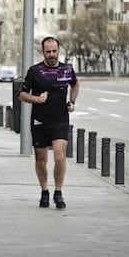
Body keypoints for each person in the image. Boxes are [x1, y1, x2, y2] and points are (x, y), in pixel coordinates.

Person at [18, 36, 79, 209]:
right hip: (39, 120)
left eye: (54, 51)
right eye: (48, 51)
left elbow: (75, 84)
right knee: (41, 159)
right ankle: (44, 191)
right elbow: (21, 94)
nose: (52, 54)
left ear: (58, 50)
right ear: (42, 52)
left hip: (60, 119)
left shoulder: (67, 69)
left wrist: (72, 101)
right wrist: (37, 99)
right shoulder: (34, 71)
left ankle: (58, 192)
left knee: (59, 156)